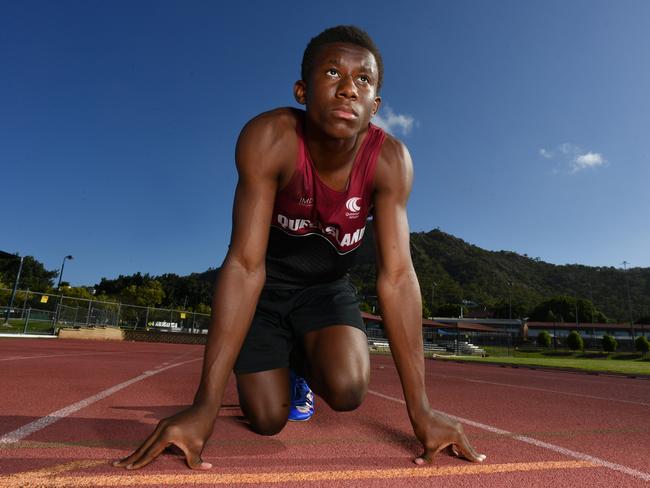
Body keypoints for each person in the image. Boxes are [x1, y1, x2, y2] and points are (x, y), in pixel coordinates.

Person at [113, 25, 486, 471]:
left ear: (376, 105)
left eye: (363, 80)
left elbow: (399, 277)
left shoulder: (390, 162)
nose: (349, 88)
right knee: (267, 419)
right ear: (302, 90)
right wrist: (204, 407)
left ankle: (305, 362)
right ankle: (282, 367)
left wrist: (421, 410)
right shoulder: (269, 138)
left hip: (326, 289)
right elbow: (245, 264)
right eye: (333, 73)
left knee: (348, 390)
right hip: (266, 289)